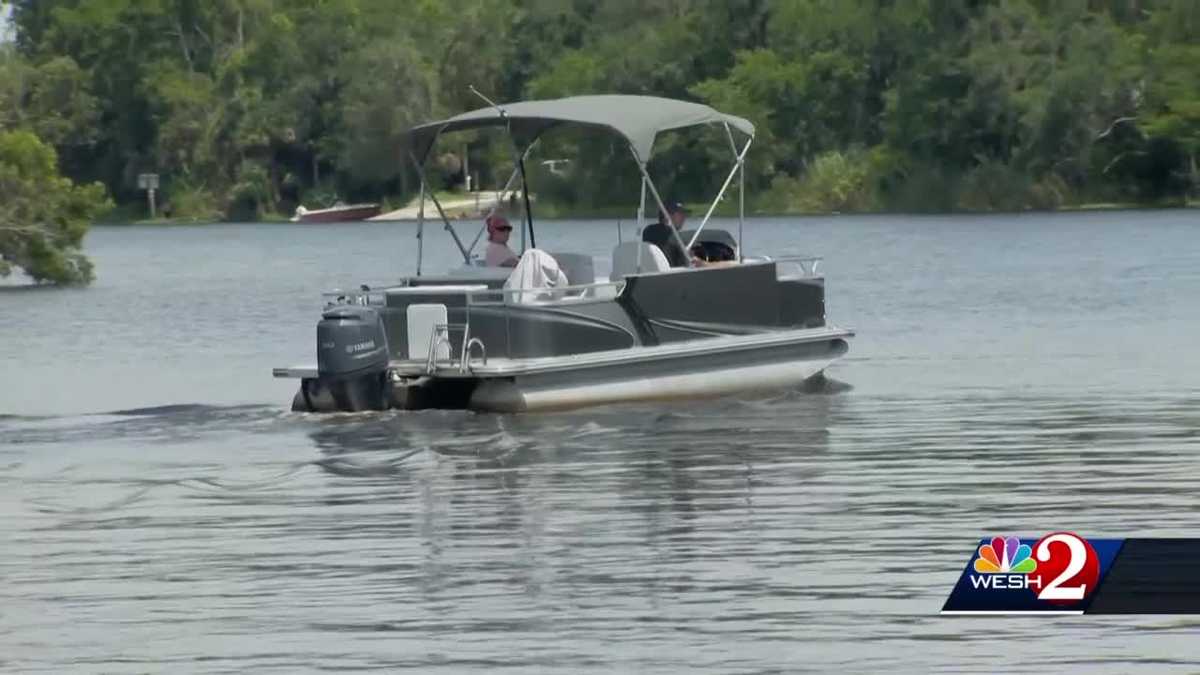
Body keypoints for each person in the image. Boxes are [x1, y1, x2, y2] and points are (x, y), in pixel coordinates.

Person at [641, 200, 691, 267]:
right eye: (680, 214)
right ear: (667, 216)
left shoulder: (648, 231)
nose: (684, 217)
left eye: (684, 214)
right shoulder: (674, 237)